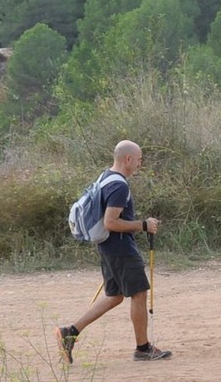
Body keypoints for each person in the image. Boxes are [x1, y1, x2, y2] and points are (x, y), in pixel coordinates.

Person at [59, 140, 170, 363]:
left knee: (114, 296)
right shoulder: (120, 186)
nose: (139, 164)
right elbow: (110, 222)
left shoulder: (105, 177)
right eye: (138, 160)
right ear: (127, 159)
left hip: (107, 247)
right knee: (139, 293)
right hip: (120, 248)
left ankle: (69, 333)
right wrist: (144, 225)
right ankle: (143, 348)